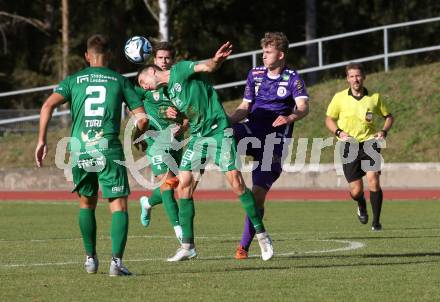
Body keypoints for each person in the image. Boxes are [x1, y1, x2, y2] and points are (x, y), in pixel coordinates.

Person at [137, 41, 274, 262]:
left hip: (218, 131)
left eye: (143, 82)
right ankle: (188, 246)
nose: (143, 86)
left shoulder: (180, 70)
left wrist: (216, 60)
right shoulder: (169, 92)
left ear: (153, 72)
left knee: (237, 183)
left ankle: (262, 235)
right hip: (199, 136)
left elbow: (206, 67)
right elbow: (190, 113)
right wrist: (178, 117)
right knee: (184, 186)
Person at [35, 34, 148, 276]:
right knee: (118, 204)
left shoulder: (73, 80)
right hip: (108, 148)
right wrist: (139, 134)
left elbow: (47, 106)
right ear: (108, 56)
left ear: (87, 56)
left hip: (80, 149)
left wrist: (42, 140)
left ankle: (90, 259)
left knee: (86, 202)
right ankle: (116, 263)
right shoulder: (119, 80)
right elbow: (142, 118)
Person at [228, 32, 309, 259]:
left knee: (258, 195)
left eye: (268, 52)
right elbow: (245, 106)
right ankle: (195, 170)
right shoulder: (255, 74)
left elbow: (303, 107)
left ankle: (244, 246)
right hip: (252, 130)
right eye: (262, 51)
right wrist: (227, 120)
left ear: (280, 54)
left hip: (274, 142)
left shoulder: (293, 78)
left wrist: (290, 118)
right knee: (225, 134)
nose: (263, 56)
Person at [325, 62, 394, 231]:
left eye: (358, 76)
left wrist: (383, 131)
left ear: (364, 77)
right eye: (352, 76)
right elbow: (329, 119)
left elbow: (389, 116)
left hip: (370, 143)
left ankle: (376, 222)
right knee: (356, 191)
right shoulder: (339, 98)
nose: (355, 79)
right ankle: (361, 204)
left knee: (374, 181)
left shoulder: (374, 97)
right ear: (347, 79)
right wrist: (339, 133)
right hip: (349, 146)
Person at [135, 42, 188, 244]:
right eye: (160, 58)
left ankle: (147, 202)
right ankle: (179, 230)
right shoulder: (144, 86)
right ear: (153, 61)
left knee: (173, 184)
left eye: (167, 58)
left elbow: (189, 115)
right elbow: (133, 106)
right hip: (155, 140)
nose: (164, 62)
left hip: (175, 138)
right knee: (168, 183)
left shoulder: (179, 84)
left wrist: (180, 124)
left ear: (173, 60)